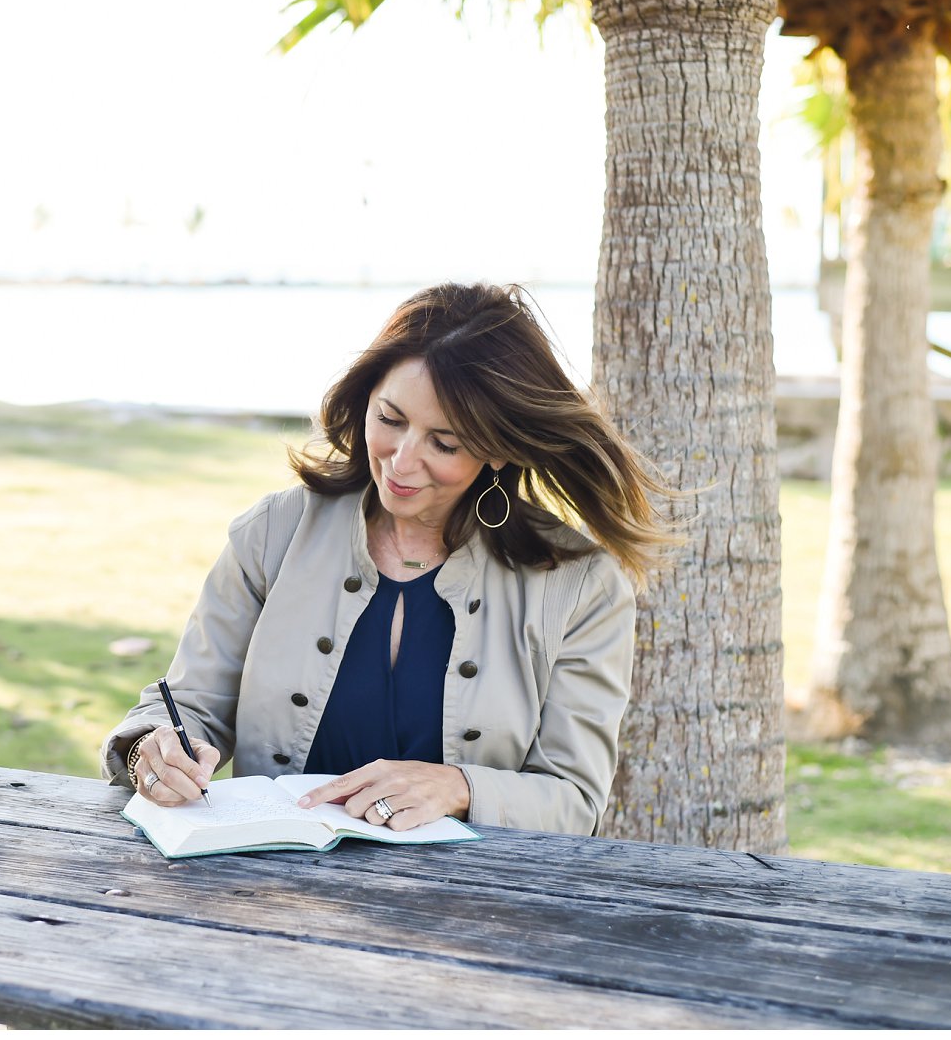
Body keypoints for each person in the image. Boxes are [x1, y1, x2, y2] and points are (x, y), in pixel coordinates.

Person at [99, 282, 683, 837]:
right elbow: (189, 704)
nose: (402, 463)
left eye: (445, 443)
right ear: (366, 400)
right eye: (391, 420)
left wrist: (457, 787)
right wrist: (151, 750)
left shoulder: (581, 587)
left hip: (473, 908)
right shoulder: (273, 533)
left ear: (500, 449)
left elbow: (574, 800)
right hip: (275, 890)